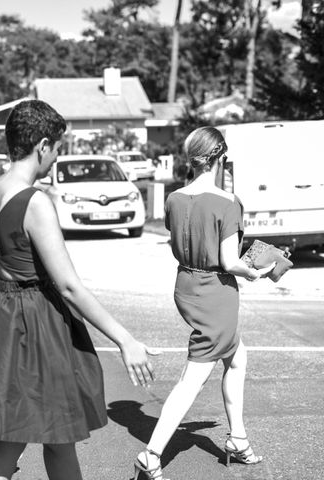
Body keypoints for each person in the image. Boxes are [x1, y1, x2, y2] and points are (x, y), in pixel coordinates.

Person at [0, 99, 159, 480]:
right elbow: (68, 286)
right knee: (4, 455)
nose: (55, 159)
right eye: (57, 149)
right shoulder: (34, 202)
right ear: (43, 145)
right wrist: (125, 339)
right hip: (33, 328)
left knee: (58, 437)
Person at [132, 126, 274, 480]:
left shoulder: (174, 198)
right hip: (216, 291)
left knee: (237, 357)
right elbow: (229, 261)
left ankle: (238, 438)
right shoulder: (228, 202)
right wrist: (255, 272)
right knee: (192, 378)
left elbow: (178, 240)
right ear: (219, 158)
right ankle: (151, 454)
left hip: (187, 284)